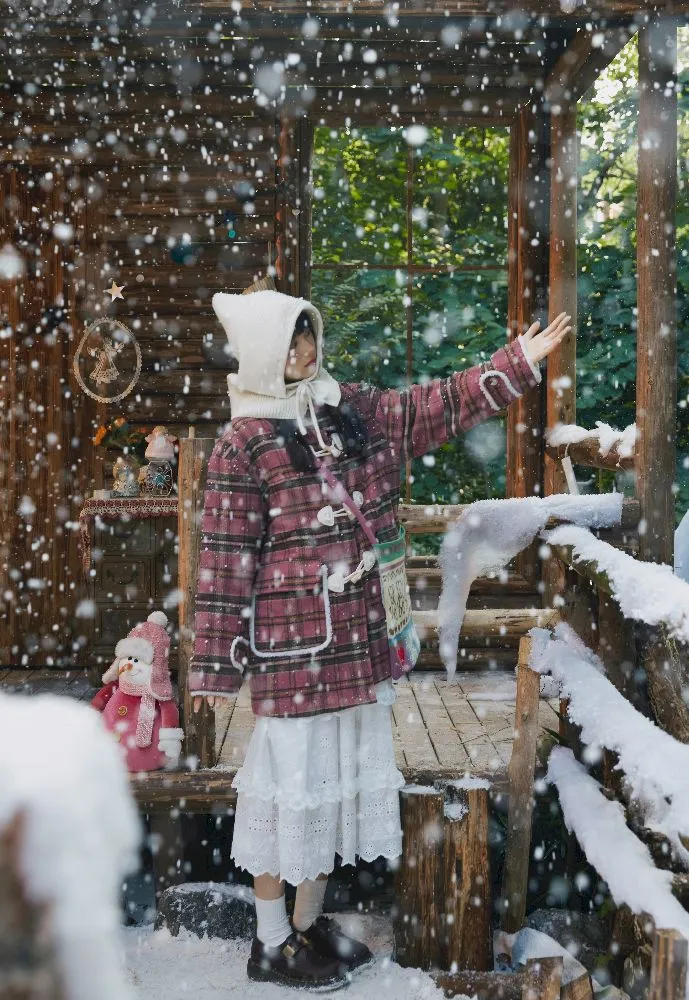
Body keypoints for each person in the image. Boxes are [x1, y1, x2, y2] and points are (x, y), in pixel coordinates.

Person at [189, 282, 570, 990]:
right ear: (266, 354)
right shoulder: (243, 444)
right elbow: (223, 561)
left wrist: (516, 362)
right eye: (291, 340)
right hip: (292, 654)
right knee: (285, 794)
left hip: (360, 647)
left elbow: (434, 405)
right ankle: (270, 942)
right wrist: (215, 668)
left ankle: (306, 929)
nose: (305, 349)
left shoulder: (349, 409)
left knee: (331, 791)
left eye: (309, 334)